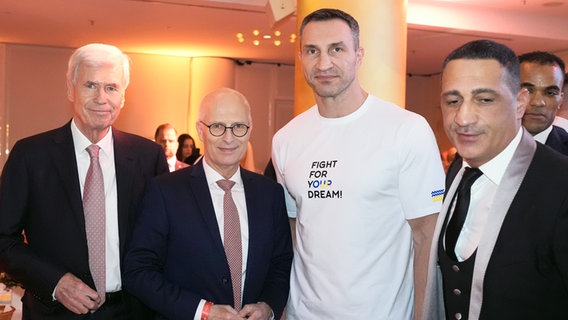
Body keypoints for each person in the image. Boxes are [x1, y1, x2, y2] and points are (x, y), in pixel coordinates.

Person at [271, 8, 445, 319]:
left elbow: (426, 237)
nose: (324, 63)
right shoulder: (286, 139)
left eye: (336, 49)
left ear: (358, 55)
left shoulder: (406, 130)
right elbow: (295, 231)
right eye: (312, 51)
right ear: (301, 58)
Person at [0, 43, 168, 319]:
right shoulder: (31, 156)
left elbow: (167, 240)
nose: (102, 98)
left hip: (134, 311)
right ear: (70, 89)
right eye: (90, 85)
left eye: (112, 87)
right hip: (54, 312)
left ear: (123, 97)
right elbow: (3, 239)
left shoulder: (148, 157)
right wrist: (55, 282)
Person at [423, 40, 568, 320]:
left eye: (484, 99)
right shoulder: (457, 171)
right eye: (453, 101)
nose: (462, 118)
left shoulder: (560, 184)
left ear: (520, 103)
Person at [123, 87, 293, 320]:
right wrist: (202, 311)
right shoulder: (165, 192)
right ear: (200, 130)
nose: (229, 137)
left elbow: (281, 262)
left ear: (250, 129)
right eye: (217, 126)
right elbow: (138, 271)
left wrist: (268, 306)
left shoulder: (270, 194)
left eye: (238, 127)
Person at [519, 51, 568, 155]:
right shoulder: (481, 145)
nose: (538, 102)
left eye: (550, 93)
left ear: (560, 100)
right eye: (528, 90)